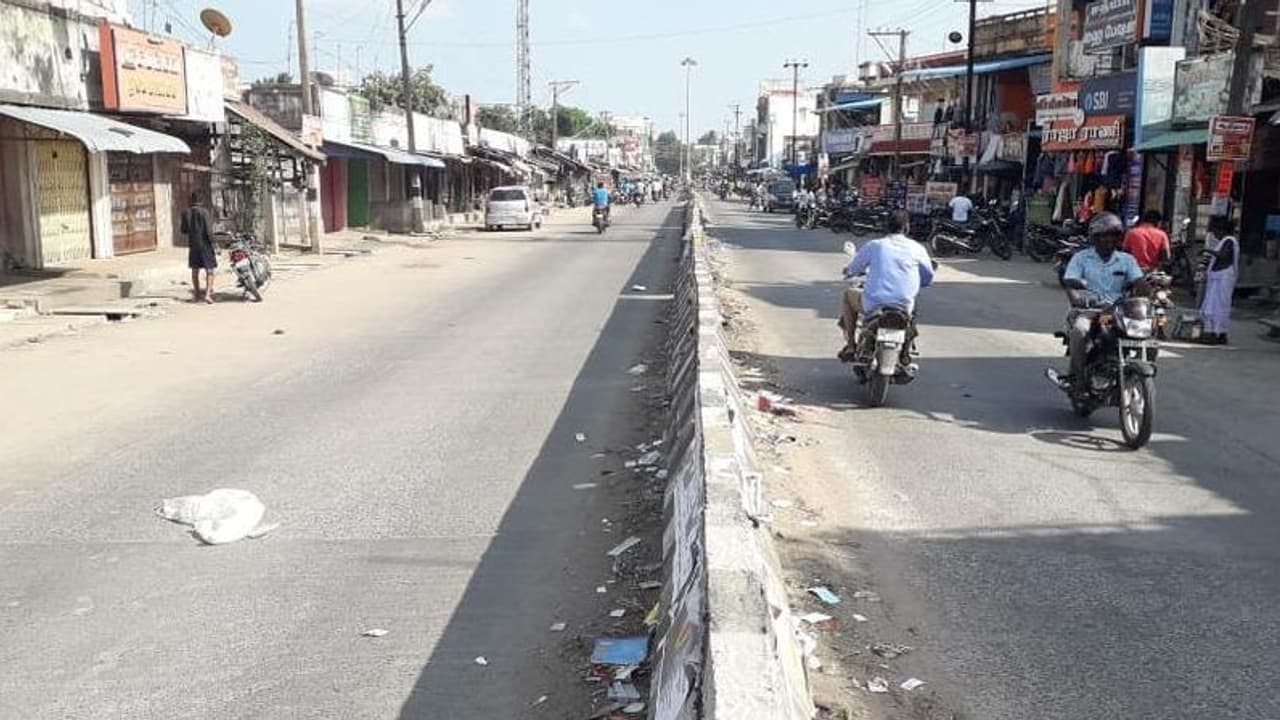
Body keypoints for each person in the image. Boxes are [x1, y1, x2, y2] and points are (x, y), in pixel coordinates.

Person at [1054, 212, 1149, 388]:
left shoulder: (1127, 260)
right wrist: (1077, 299)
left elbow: (1139, 282)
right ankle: (1078, 377)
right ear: (1095, 238)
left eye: (1113, 236)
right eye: (1103, 236)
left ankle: (1130, 370)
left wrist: (1147, 286)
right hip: (1089, 310)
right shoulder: (1080, 258)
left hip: (1117, 311)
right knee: (1080, 331)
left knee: (1146, 333)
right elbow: (1071, 284)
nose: (1109, 240)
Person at [837, 211, 935, 361]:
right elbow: (928, 278)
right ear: (907, 227)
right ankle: (908, 347)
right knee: (913, 307)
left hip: (873, 304)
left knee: (848, 294)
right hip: (904, 305)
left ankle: (851, 346)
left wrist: (848, 271)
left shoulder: (875, 245)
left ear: (886, 227)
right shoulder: (918, 248)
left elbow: (853, 269)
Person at [1199, 215, 1239, 345]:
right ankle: (1219, 332)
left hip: (1223, 278)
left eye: (1215, 231)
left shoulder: (1229, 240)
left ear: (1220, 230)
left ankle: (1215, 333)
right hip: (1218, 278)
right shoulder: (1226, 241)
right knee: (1215, 306)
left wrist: (1207, 250)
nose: (1214, 235)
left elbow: (1223, 255)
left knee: (1216, 307)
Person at [181, 192, 217, 304]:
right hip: (205, 245)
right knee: (209, 270)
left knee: (195, 270)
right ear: (201, 201)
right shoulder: (205, 212)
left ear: (191, 200)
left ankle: (196, 294)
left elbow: (184, 230)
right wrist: (215, 244)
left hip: (193, 245)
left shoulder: (186, 213)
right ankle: (207, 295)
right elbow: (209, 231)